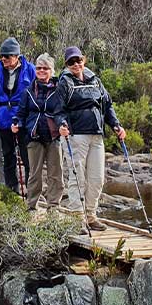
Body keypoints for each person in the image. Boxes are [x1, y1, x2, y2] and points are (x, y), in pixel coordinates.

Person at [56, 46, 125, 230]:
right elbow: (59, 110)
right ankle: (77, 218)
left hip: (96, 135)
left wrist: (116, 125)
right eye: (71, 62)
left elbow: (107, 105)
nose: (76, 64)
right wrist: (62, 124)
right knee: (77, 177)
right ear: (67, 64)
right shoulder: (64, 83)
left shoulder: (95, 81)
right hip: (75, 135)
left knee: (97, 178)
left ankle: (91, 215)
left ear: (84, 60)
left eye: (78, 60)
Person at [12, 53, 65, 210]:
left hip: (53, 136)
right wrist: (16, 122)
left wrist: (63, 124)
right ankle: (31, 205)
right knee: (34, 174)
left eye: (45, 68)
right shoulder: (28, 91)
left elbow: (62, 111)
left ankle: (54, 206)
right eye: (39, 68)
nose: (41, 70)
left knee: (55, 174)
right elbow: (21, 113)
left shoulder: (59, 90)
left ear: (52, 70)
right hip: (34, 136)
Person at [0, 37, 36, 193]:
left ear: (16, 56)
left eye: (7, 56)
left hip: (23, 119)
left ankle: (31, 190)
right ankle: (11, 189)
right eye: (2, 56)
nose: (3, 59)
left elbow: (35, 95)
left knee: (26, 156)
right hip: (3, 119)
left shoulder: (30, 70)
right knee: (7, 156)